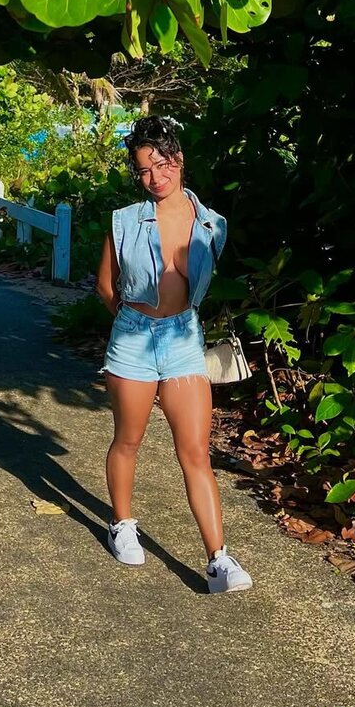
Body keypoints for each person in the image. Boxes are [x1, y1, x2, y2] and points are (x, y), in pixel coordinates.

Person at [95, 115, 253, 595]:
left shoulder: (212, 224)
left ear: (179, 160)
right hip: (133, 337)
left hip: (184, 339)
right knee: (129, 439)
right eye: (144, 169)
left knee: (196, 452)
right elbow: (105, 285)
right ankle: (122, 524)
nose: (154, 177)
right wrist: (132, 321)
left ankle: (218, 560)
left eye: (161, 165)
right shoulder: (124, 221)